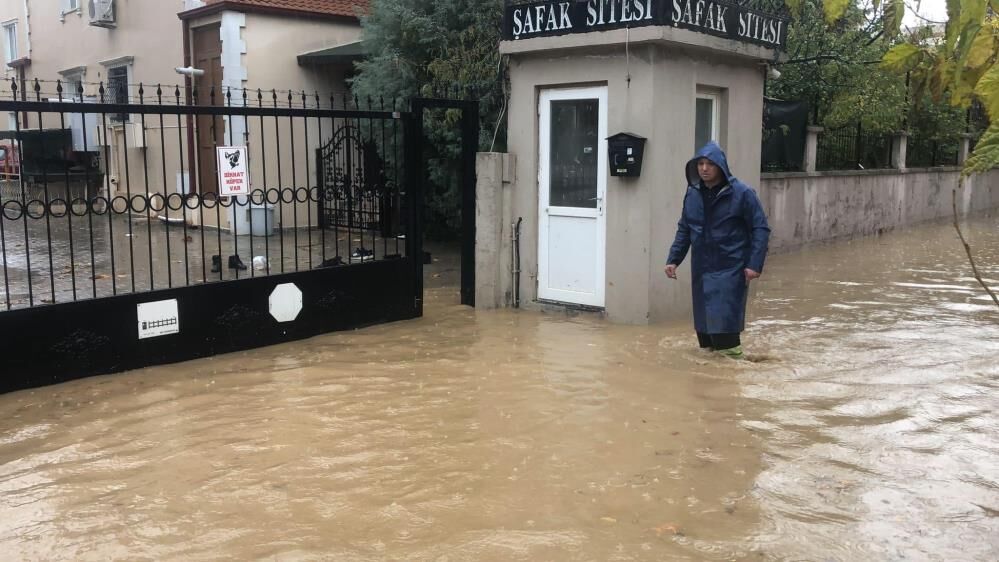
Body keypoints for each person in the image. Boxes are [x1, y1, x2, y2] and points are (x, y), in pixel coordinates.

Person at [664, 141, 770, 359]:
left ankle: (732, 375)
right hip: (701, 269)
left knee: (725, 326)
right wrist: (674, 259)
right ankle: (707, 382)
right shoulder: (693, 194)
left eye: (709, 164)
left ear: (721, 166)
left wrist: (754, 264)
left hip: (730, 270)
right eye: (700, 164)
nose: (704, 168)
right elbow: (685, 228)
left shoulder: (742, 194)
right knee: (704, 332)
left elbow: (760, 228)